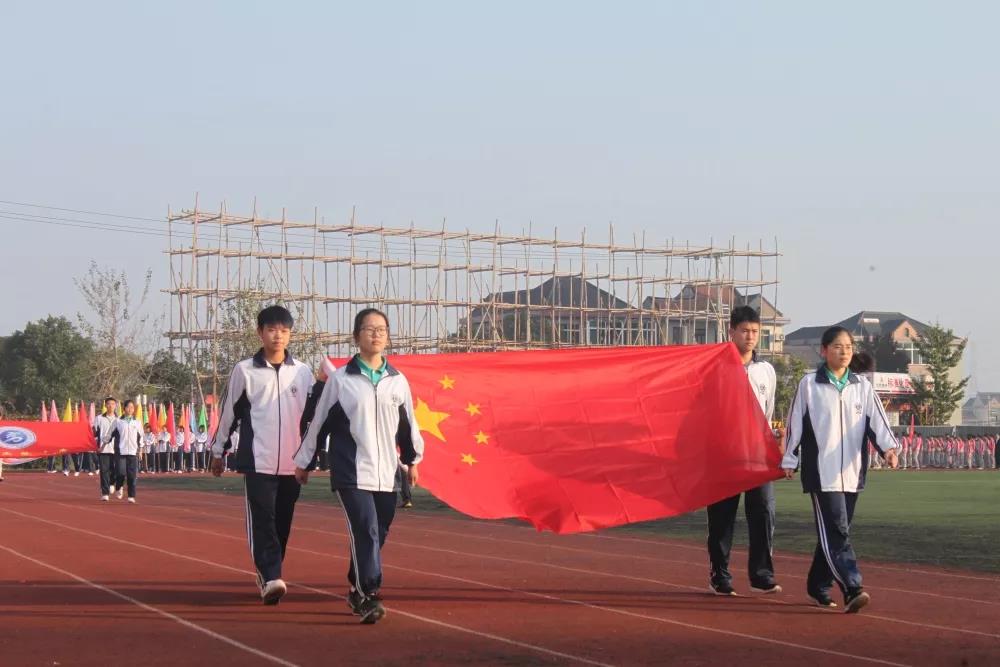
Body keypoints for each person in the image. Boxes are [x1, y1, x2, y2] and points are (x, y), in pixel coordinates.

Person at [295, 307, 424, 624]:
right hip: (351, 471)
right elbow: (320, 424)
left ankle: (356, 585)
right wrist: (305, 461)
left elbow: (408, 425)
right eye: (369, 329)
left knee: (379, 532)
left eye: (382, 329)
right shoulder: (341, 381)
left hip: (386, 473)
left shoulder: (397, 381)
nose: (376, 334)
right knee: (366, 530)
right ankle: (369, 593)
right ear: (356, 337)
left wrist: (411, 460)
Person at [782, 326, 900, 613]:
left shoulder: (862, 386)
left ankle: (818, 585)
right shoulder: (809, 385)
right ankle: (852, 587)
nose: (844, 351)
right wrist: (789, 458)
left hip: (852, 473)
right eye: (837, 346)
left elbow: (877, 422)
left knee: (836, 532)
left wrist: (889, 449)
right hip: (822, 474)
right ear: (824, 351)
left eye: (848, 346)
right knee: (837, 532)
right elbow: (794, 424)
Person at [210, 305, 319, 605]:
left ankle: (269, 572)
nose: (277, 336)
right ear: (260, 333)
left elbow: (314, 414)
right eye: (271, 330)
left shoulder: (303, 372)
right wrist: (219, 451)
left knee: (282, 522)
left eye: (283, 331)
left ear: (290, 334)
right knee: (263, 519)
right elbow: (229, 413)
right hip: (258, 460)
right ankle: (270, 576)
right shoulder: (245, 370)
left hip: (292, 463)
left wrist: (309, 456)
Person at [706, 306, 781, 596]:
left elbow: (768, 409)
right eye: (745, 331)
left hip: (757, 453)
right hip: (725, 453)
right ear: (731, 332)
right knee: (722, 516)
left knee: (763, 512)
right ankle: (720, 574)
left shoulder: (767, 371)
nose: (750, 337)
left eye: (755, 331)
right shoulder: (716, 368)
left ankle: (761, 575)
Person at [111, 400, 143, 503]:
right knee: (120, 472)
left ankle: (131, 496)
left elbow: (141, 437)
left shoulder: (137, 422)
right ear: (124, 408)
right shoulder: (118, 421)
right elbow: (110, 434)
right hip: (121, 451)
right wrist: (103, 444)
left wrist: (141, 450)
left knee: (132, 475)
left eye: (132, 407)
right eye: (128, 407)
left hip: (133, 452)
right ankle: (119, 486)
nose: (130, 409)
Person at [94, 398, 119, 502]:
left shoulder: (119, 419)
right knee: (104, 471)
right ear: (105, 405)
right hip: (103, 449)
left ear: (116, 406)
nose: (110, 406)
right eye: (108, 404)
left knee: (115, 470)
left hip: (116, 449)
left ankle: (112, 483)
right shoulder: (99, 418)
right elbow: (95, 433)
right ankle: (105, 493)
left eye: (113, 404)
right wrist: (96, 446)